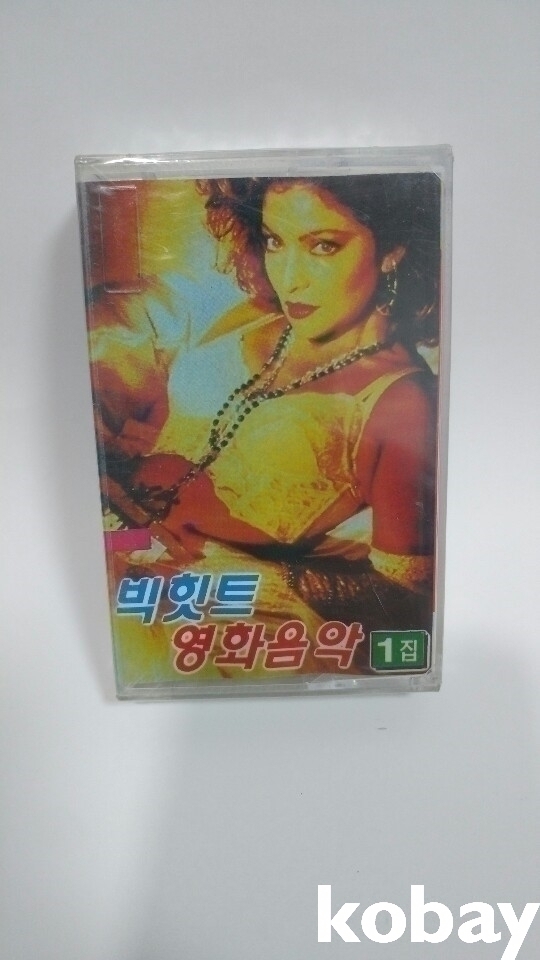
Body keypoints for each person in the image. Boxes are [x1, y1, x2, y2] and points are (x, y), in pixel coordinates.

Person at [99, 173, 440, 677]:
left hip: (204, 611)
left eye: (323, 246)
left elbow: (403, 601)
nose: (290, 279)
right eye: (276, 241)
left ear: (392, 250)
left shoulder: (404, 401)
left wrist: (238, 580)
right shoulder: (256, 319)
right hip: (121, 543)